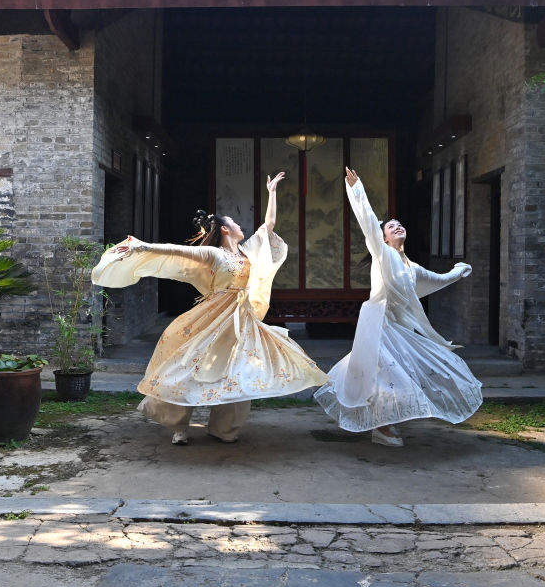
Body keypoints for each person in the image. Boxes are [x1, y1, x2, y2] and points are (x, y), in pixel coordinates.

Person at [91, 172, 327, 444]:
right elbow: (175, 251)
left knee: (236, 371)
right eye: (235, 223)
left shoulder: (248, 252)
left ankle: (225, 429)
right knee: (189, 367)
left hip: (241, 319)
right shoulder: (214, 254)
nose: (240, 226)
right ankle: (178, 425)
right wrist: (141, 246)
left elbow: (269, 225)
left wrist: (272, 192)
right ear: (225, 230)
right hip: (213, 317)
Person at [314, 167, 483, 446]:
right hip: (378, 325)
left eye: (399, 224)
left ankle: (383, 425)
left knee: (404, 374)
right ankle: (382, 428)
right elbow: (368, 221)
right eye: (391, 227)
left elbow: (437, 279)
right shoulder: (382, 254)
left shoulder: (411, 266)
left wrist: (458, 271)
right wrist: (357, 190)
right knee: (384, 376)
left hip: (398, 327)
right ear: (383, 238)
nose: (397, 227)